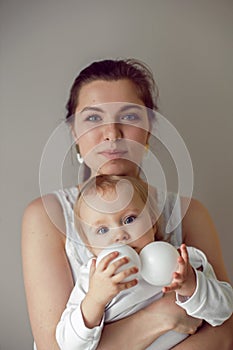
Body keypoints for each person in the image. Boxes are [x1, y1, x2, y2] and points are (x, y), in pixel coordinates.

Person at [22, 58, 233, 350]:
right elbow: (54, 347)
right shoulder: (47, 216)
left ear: (150, 129)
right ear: (74, 132)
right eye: (93, 118)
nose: (111, 133)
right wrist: (163, 315)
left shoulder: (189, 213)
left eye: (130, 117)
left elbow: (224, 334)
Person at [55, 174, 233, 350]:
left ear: (153, 224)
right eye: (102, 230)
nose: (120, 235)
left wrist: (191, 286)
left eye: (129, 219)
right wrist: (95, 299)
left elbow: (223, 312)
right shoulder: (93, 279)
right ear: (90, 247)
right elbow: (68, 345)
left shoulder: (179, 260)